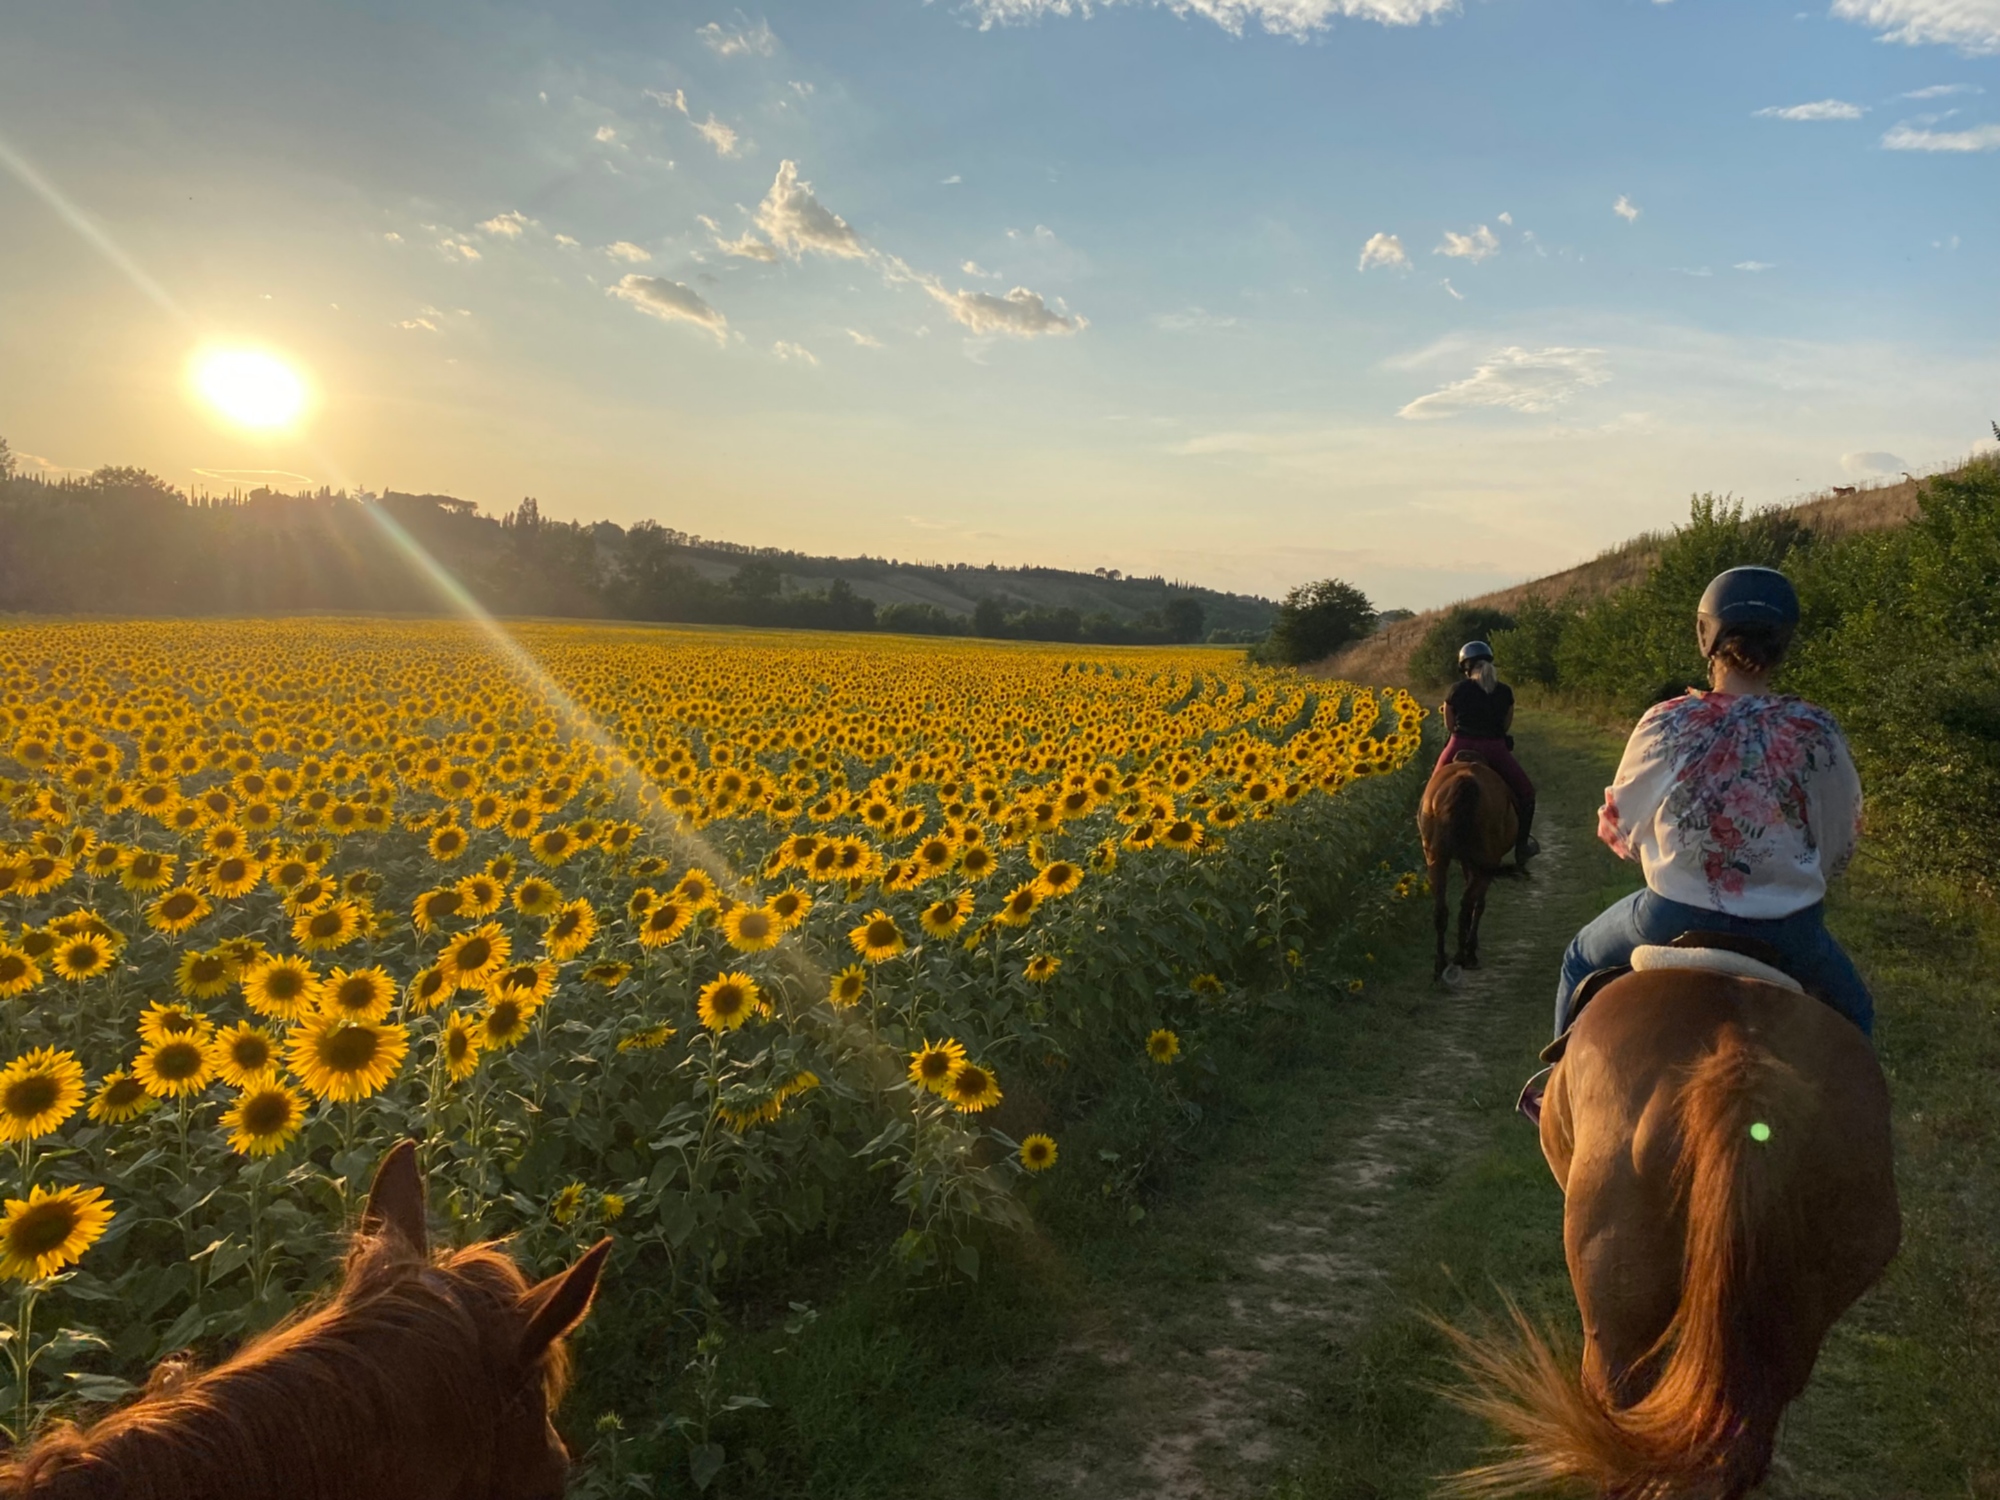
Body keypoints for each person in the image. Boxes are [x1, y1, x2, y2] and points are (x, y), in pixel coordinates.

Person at [1552, 565, 1873, 1040]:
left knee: (1580, 958)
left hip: (1673, 913)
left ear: (1706, 635)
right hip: (1790, 928)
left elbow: (1620, 824)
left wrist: (1655, 851)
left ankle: (1549, 1099)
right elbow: (1841, 837)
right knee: (1856, 1012)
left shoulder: (1667, 721)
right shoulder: (1816, 730)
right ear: (1782, 643)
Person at [1435, 640, 1538, 866]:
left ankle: (1431, 841)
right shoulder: (1504, 691)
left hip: (1459, 743)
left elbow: (1449, 725)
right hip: (1494, 747)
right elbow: (1505, 726)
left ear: (1465, 666)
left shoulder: (1456, 690)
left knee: (1432, 790)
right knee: (1527, 793)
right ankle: (1521, 846)